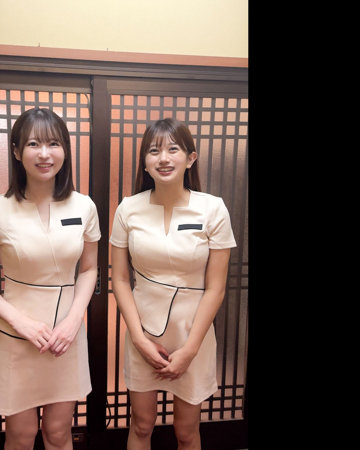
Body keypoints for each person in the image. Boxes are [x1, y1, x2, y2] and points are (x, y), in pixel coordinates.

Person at [109, 118, 236, 450]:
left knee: (186, 431)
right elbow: (120, 278)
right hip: (143, 333)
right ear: (145, 162)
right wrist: (139, 339)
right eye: (154, 151)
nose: (163, 158)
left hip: (193, 334)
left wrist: (190, 350)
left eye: (173, 149)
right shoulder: (128, 209)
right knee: (141, 424)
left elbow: (216, 288)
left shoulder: (213, 209)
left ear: (190, 158)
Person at [0, 107, 100, 450]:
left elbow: (89, 269)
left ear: (65, 150)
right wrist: (20, 322)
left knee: (58, 432)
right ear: (16, 151)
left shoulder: (84, 206)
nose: (44, 154)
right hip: (15, 336)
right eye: (33, 144)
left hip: (65, 337)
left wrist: (73, 321)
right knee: (21, 436)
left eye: (53, 143)